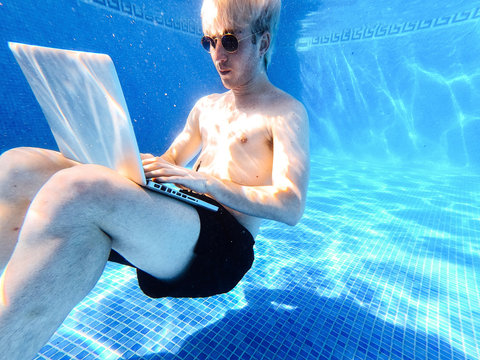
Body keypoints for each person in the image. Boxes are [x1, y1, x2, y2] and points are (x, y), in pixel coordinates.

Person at [0, 0, 309, 358]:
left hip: (224, 247)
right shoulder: (207, 108)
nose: (217, 55)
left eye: (230, 41)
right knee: (20, 166)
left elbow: (291, 205)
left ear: (263, 42)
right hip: (178, 222)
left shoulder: (285, 112)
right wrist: (123, 160)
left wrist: (205, 184)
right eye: (209, 42)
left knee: (79, 189)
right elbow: (168, 163)